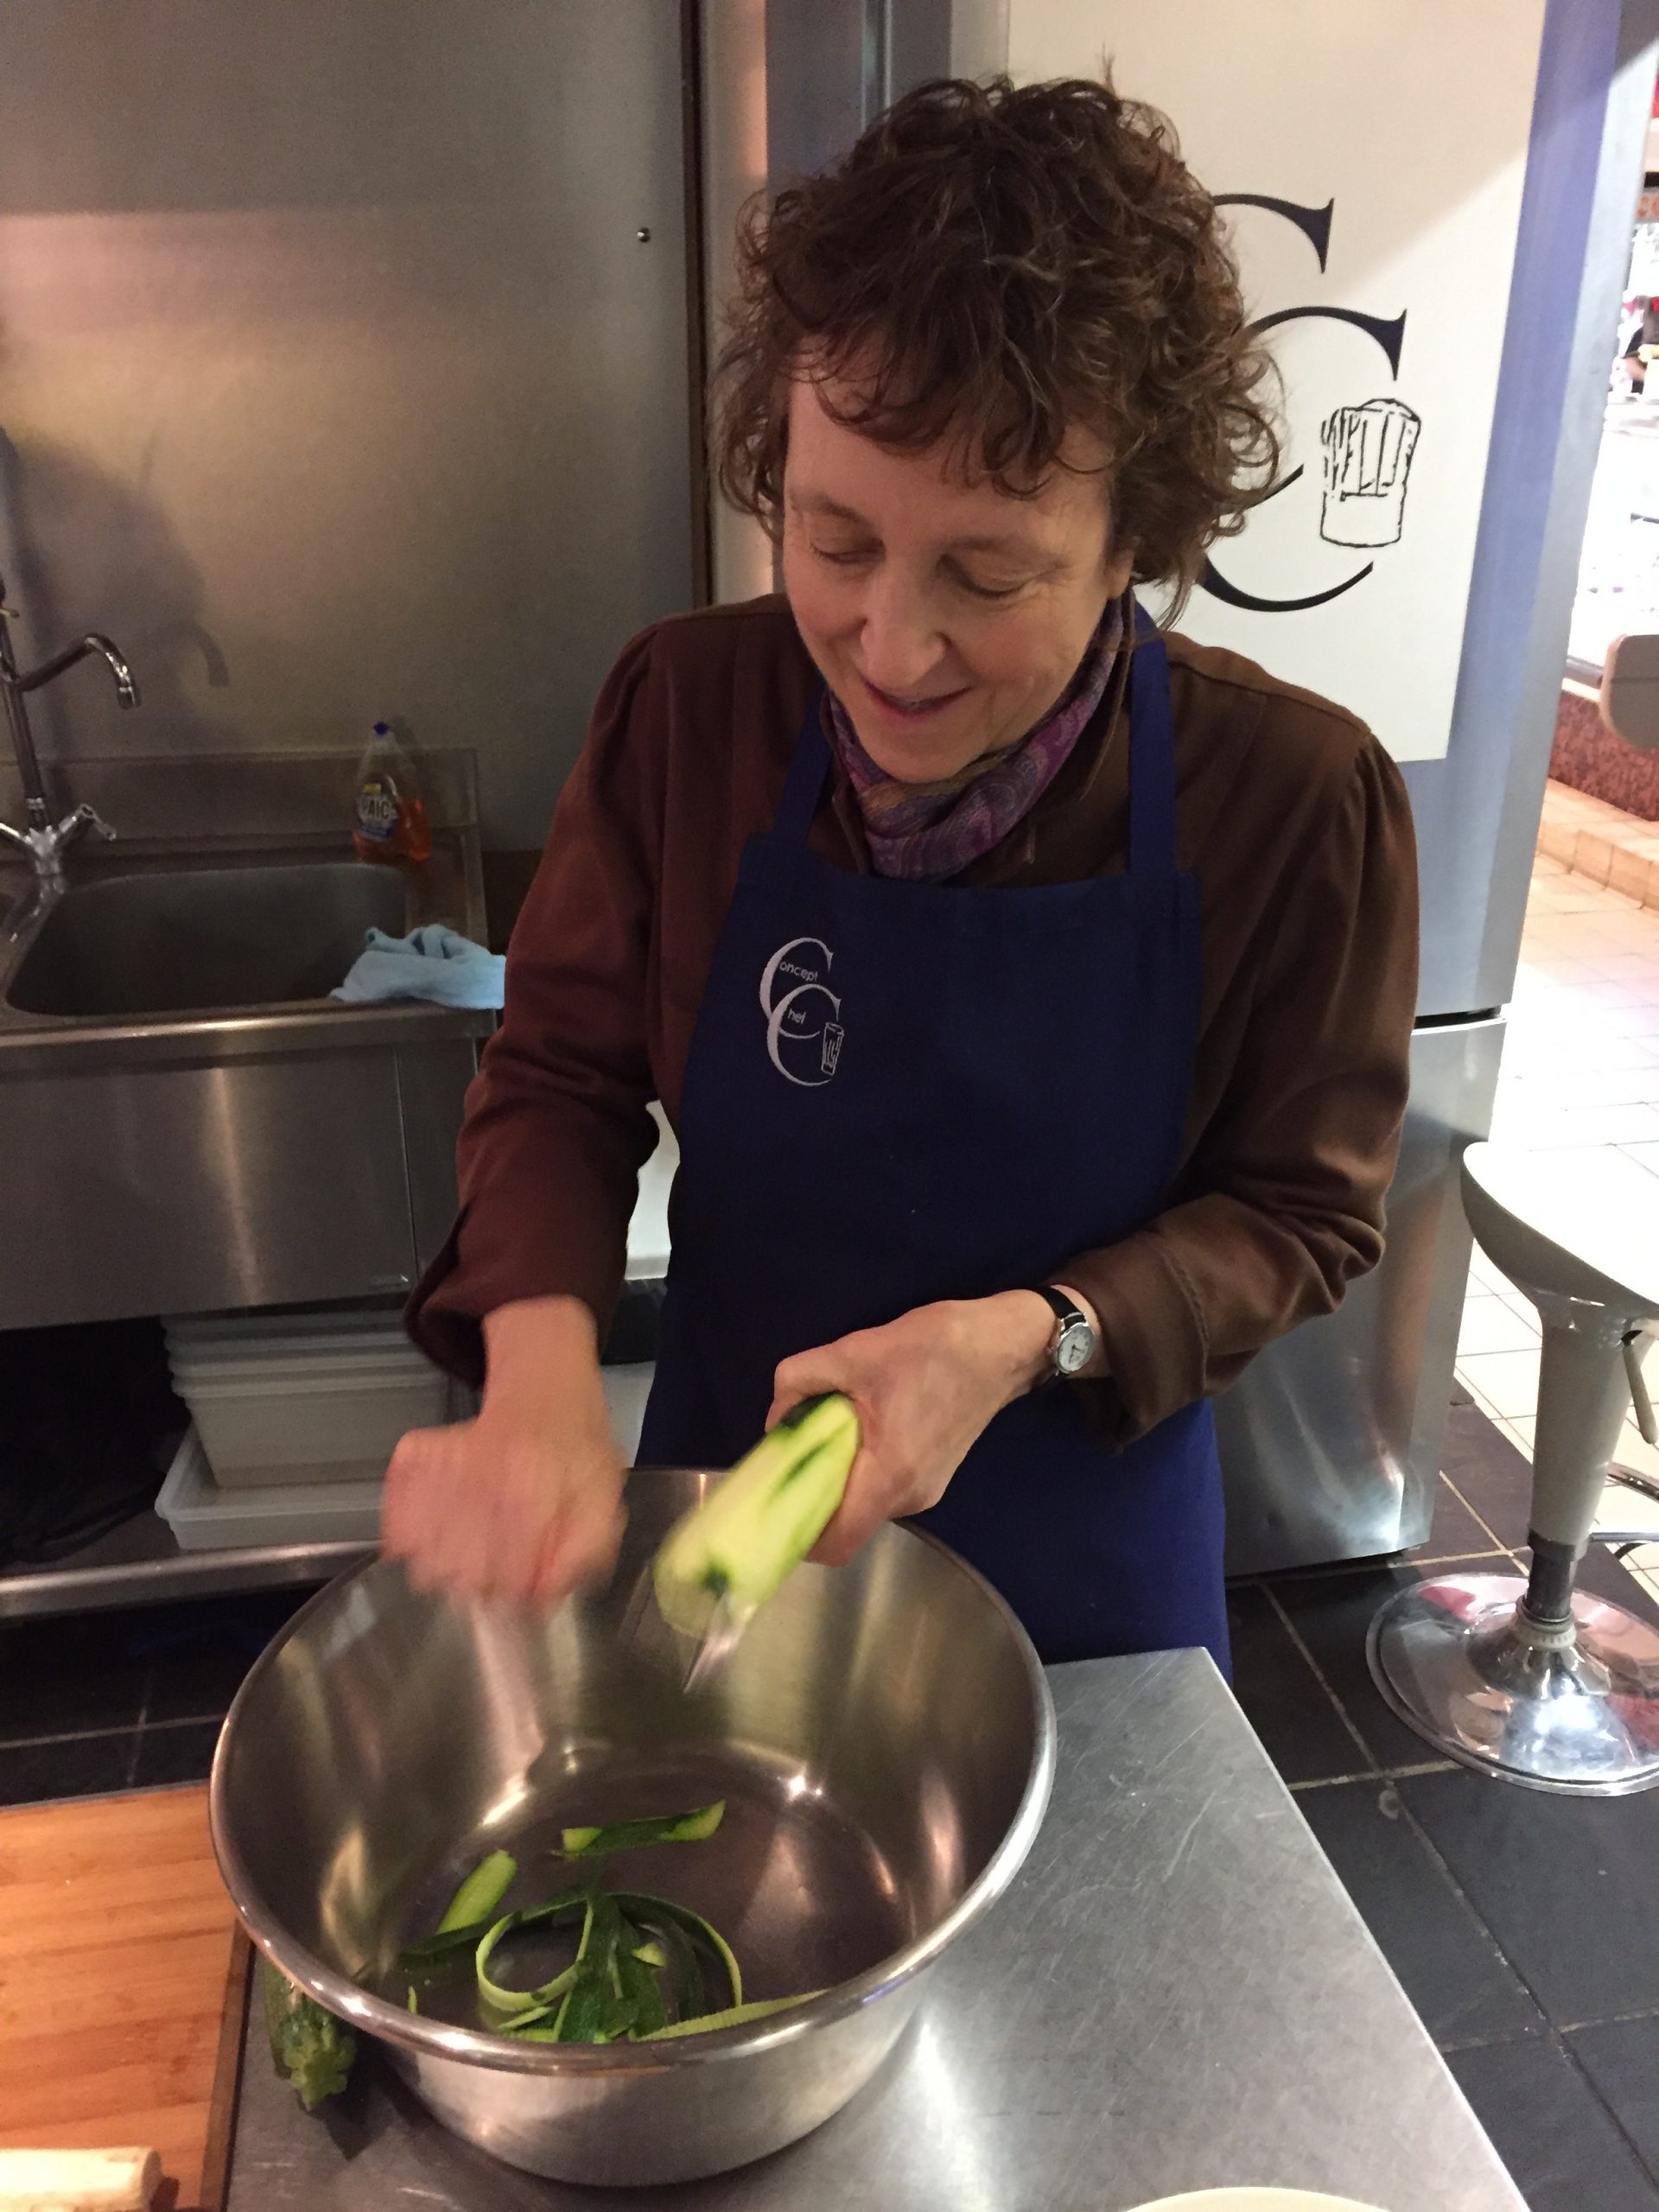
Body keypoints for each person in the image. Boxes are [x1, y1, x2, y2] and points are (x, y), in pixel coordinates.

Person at [387, 76, 1419, 1674]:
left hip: (1087, 1554)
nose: (889, 647)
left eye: (986, 574)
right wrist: (535, 1376)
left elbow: (1304, 1211)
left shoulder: (1291, 798)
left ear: (1137, 539)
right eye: (836, 540)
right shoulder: (689, 714)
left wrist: (1030, 1338)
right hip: (737, 1510)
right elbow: (559, 1078)